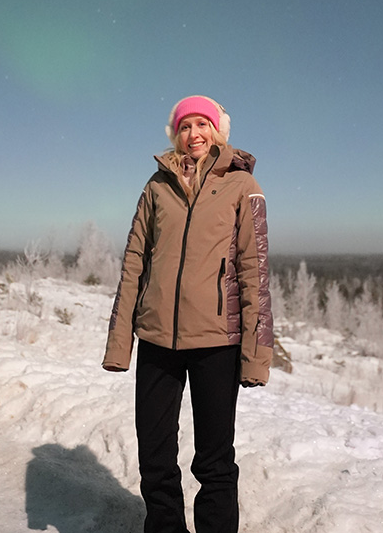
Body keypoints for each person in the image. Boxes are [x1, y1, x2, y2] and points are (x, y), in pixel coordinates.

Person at [103, 95, 272, 533]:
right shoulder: (156, 187)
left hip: (218, 343)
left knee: (214, 461)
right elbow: (133, 264)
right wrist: (121, 343)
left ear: (217, 130)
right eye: (184, 126)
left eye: (202, 124)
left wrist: (256, 354)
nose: (193, 133)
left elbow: (256, 273)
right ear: (175, 134)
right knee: (155, 457)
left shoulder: (242, 187)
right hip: (158, 340)